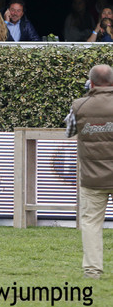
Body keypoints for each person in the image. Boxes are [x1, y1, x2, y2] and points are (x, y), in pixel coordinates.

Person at [65, 64, 113, 279]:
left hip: (93, 177)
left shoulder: (79, 105)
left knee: (92, 223)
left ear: (91, 83)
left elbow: (69, 131)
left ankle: (92, 271)